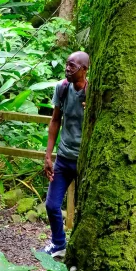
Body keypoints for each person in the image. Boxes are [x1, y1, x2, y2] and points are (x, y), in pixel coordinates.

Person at [43, 51, 90, 258]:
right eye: (67, 65)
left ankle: (81, 251)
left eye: (72, 66)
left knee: (85, 209)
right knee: (52, 205)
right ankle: (59, 243)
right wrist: (48, 155)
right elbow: (55, 120)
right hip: (63, 157)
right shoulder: (62, 88)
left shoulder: (92, 92)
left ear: (84, 69)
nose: (67, 69)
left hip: (85, 161)